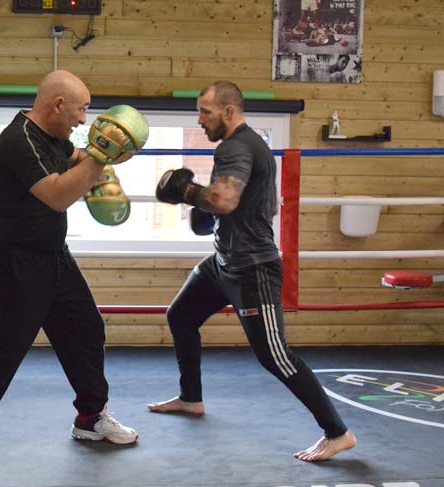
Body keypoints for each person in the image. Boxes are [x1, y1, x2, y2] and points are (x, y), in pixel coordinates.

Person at [0, 70, 147, 475]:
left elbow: (77, 158)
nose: (84, 120)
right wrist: (101, 157)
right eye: (81, 110)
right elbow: (57, 196)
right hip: (19, 262)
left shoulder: (53, 139)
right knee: (5, 353)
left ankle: (90, 418)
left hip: (54, 256)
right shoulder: (19, 140)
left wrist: (110, 157)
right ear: (58, 105)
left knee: (87, 330)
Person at [149, 80, 356, 462]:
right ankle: (191, 398)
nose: (200, 120)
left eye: (205, 113)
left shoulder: (237, 145)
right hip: (223, 260)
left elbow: (224, 200)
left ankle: (337, 433)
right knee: (180, 316)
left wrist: (188, 192)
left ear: (229, 112)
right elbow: (230, 204)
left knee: (274, 356)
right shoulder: (240, 145)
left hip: (252, 267)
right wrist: (201, 206)